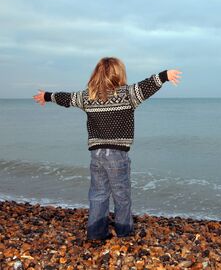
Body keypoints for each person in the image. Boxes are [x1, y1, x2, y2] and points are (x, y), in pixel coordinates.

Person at [33, 57, 182, 240]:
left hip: (96, 154)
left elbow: (67, 98)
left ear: (96, 74)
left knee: (98, 194)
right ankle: (124, 231)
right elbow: (146, 86)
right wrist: (164, 76)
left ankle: (96, 233)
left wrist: (47, 96)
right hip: (117, 154)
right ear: (119, 74)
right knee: (122, 195)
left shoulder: (88, 96)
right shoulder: (127, 94)